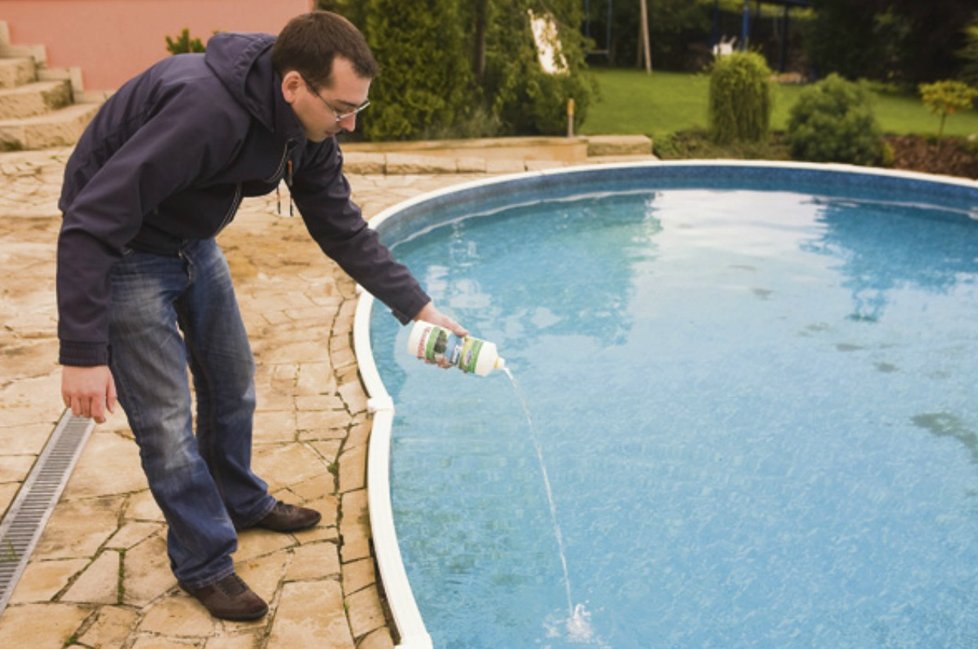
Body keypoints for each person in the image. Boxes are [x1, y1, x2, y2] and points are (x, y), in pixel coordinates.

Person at [56, 11, 466, 621]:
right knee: (167, 423)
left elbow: (341, 226)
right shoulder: (204, 112)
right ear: (294, 86)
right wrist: (83, 354)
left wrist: (420, 309)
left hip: (192, 240)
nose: (350, 123)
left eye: (361, 107)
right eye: (341, 108)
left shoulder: (310, 127)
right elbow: (90, 224)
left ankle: (240, 500)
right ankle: (204, 561)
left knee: (233, 383)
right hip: (127, 252)